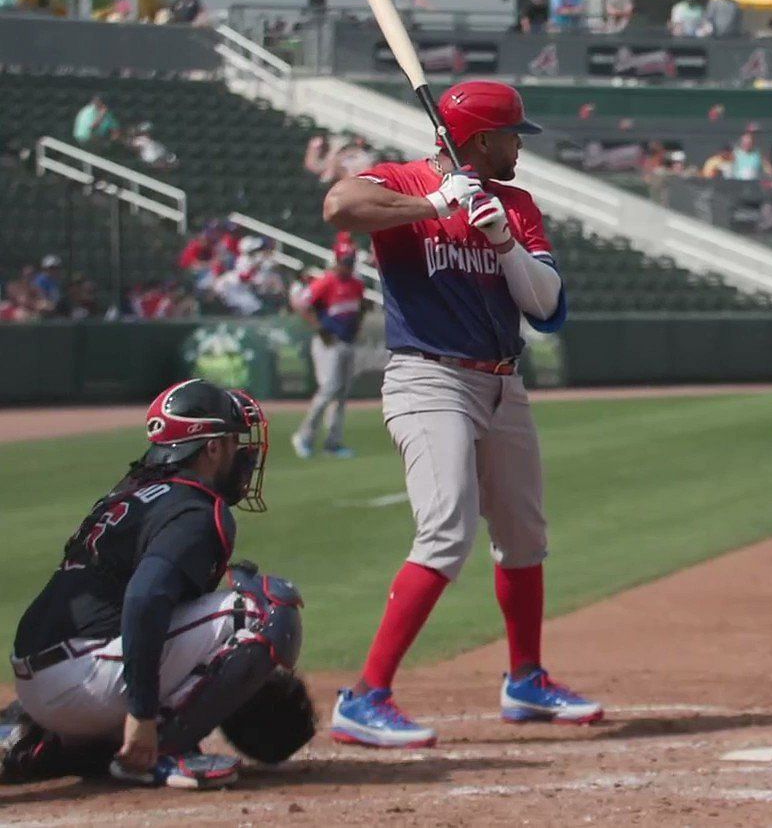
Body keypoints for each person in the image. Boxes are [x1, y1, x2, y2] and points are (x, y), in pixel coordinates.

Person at [321, 80, 602, 747]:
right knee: (446, 530)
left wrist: (503, 241)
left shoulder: (516, 203)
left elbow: (547, 308)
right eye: (511, 136)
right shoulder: (401, 180)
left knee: (524, 536)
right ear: (481, 139)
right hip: (428, 378)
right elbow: (340, 204)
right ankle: (365, 696)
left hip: (503, 383)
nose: (518, 147)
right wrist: (431, 202)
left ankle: (526, 680)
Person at [1, 380, 314, 789]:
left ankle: (44, 743)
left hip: (40, 682)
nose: (245, 453)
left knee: (186, 609)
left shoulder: (132, 493)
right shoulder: (195, 508)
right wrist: (143, 713)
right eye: (235, 441)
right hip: (84, 679)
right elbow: (145, 598)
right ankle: (160, 752)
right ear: (212, 448)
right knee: (266, 608)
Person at [291, 243, 368, 460]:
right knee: (328, 389)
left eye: (351, 262)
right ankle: (304, 436)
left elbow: (360, 306)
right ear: (337, 261)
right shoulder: (325, 281)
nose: (349, 266)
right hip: (329, 342)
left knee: (341, 393)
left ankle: (332, 442)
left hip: (347, 341)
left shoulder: (356, 283)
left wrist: (358, 326)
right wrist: (318, 327)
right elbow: (302, 305)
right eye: (346, 262)